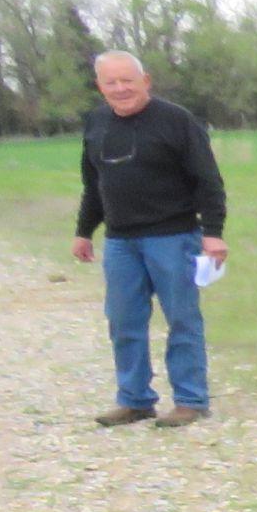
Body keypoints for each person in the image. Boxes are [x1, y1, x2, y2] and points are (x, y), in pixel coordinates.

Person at [71, 51, 228, 427]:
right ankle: (135, 399)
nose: (121, 88)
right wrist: (83, 231)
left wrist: (213, 234)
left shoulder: (177, 121)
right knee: (123, 321)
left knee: (182, 319)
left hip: (173, 238)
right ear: (100, 86)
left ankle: (191, 399)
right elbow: (94, 184)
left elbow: (208, 181)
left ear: (146, 81)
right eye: (112, 82)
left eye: (128, 80)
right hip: (121, 242)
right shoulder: (96, 123)